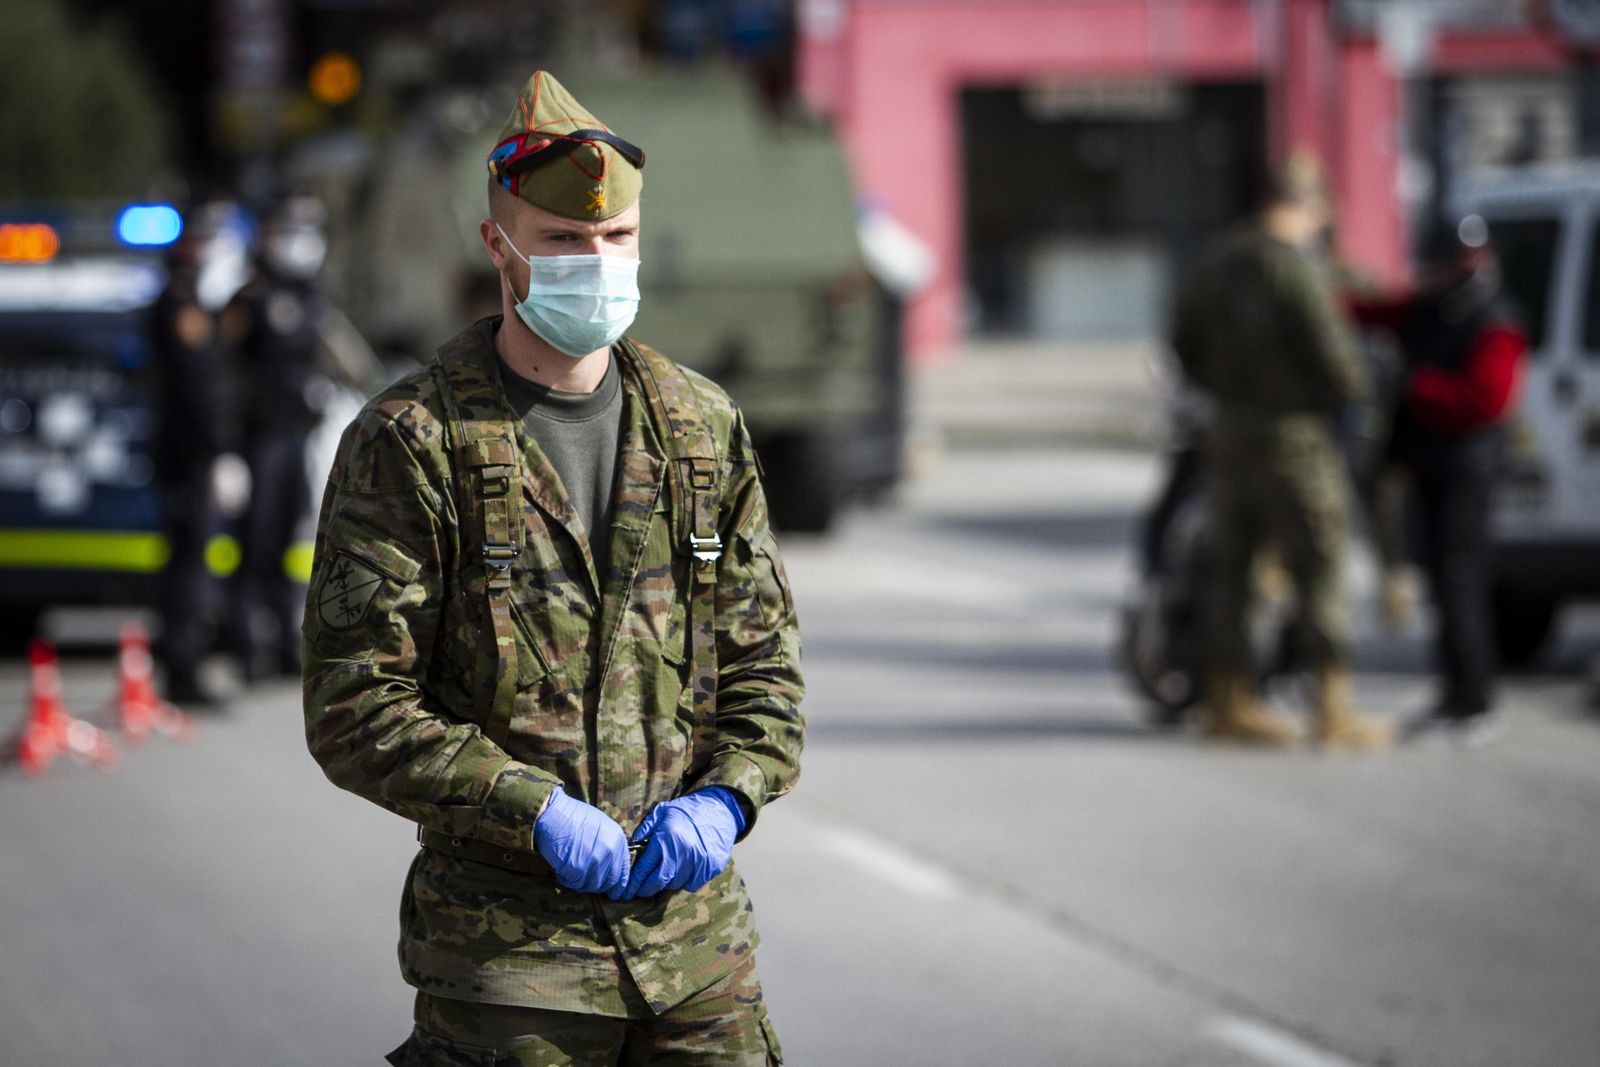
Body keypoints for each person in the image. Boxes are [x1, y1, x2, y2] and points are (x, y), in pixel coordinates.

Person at [302, 71, 803, 1066]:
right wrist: (528, 809)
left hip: (699, 963)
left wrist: (729, 795)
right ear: (499, 247)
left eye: (615, 240)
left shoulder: (699, 426)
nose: (596, 263)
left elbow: (766, 670)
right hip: (510, 972)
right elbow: (355, 703)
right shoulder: (415, 441)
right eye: (565, 242)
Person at [1169, 157, 1390, 749]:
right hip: (1297, 439)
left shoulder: (1215, 261)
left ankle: (1228, 698)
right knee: (1319, 563)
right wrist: (1354, 399)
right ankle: (1332, 707)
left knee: (1232, 569)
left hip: (1229, 434)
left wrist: (1226, 391)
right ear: (1308, 205)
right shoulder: (1293, 267)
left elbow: (1181, 347)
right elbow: (1336, 357)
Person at [1350, 215, 1527, 743]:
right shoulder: (1431, 308)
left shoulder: (1496, 321)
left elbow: (1484, 400)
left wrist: (1415, 384)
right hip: (1428, 468)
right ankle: (1452, 694)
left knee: (1461, 583)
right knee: (1440, 585)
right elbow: (1371, 309)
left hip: (1467, 473)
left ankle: (1474, 701)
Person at [222, 197, 329, 681]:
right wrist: (226, 450)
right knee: (255, 542)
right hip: (257, 439)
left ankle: (287, 648)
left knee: (289, 543)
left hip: (294, 435)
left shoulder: (308, 293)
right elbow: (224, 377)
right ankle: (247, 648)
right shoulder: (251, 297)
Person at [148, 206, 238, 705]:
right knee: (187, 567)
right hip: (189, 457)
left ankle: (185, 666)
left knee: (193, 563)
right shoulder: (179, 304)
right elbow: (197, 392)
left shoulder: (194, 303)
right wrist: (218, 451)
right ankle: (181, 670)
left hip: (196, 455)